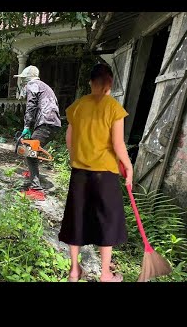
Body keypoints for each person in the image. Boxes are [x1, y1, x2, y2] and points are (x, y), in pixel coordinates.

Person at [58, 63, 133, 282]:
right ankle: (105, 274)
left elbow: (69, 140)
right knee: (106, 221)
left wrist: (78, 157)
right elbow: (118, 145)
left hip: (79, 174)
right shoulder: (113, 107)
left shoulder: (77, 106)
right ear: (110, 84)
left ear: (90, 83)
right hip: (106, 176)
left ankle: (74, 271)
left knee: (76, 219)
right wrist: (128, 166)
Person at [15, 65, 61, 201]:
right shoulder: (44, 86)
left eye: (23, 79)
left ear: (27, 78)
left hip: (46, 122)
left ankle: (37, 190)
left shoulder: (32, 84)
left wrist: (27, 126)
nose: (22, 82)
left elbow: (31, 106)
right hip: (51, 122)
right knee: (31, 148)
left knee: (29, 151)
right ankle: (31, 172)